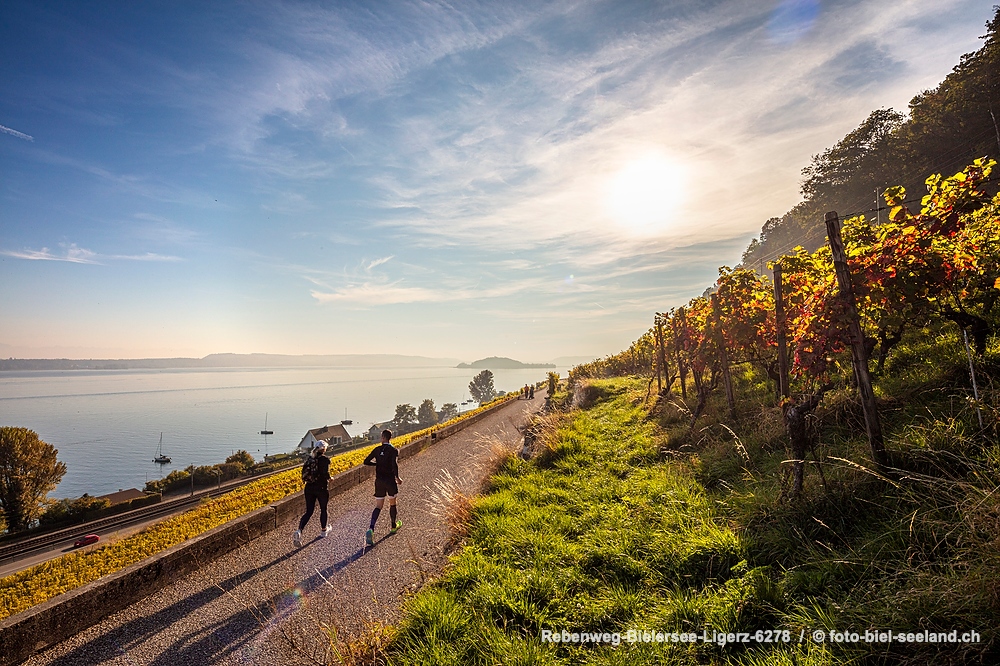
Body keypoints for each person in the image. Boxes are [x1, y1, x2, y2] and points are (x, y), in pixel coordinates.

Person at [363, 429, 402, 546]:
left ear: (383, 438)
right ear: (389, 438)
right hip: (390, 481)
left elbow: (366, 461)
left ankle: (371, 528)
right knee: (392, 503)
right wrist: (397, 477)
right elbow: (394, 464)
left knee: (378, 506)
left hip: (379, 481)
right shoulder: (394, 450)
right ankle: (393, 526)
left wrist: (377, 464)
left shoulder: (377, 449)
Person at [293, 440, 332, 547]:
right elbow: (325, 473)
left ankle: (299, 530)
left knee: (309, 511)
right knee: (323, 509)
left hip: (309, 488)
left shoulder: (310, 459)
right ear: (323, 449)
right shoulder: (325, 460)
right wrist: (330, 478)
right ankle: (324, 531)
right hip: (321, 488)